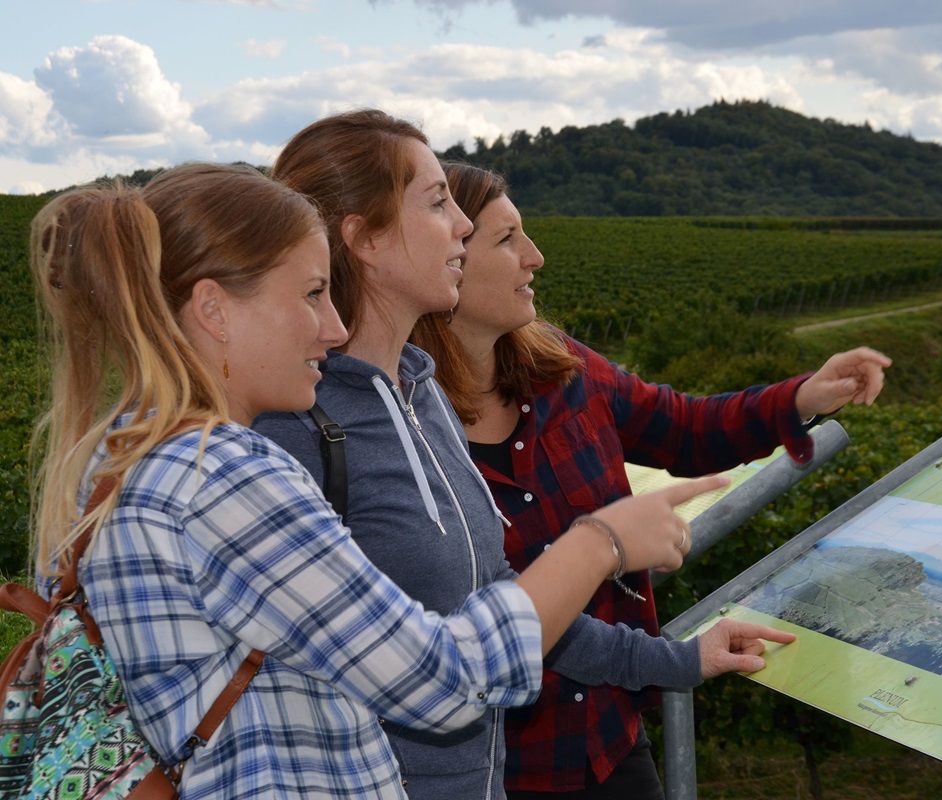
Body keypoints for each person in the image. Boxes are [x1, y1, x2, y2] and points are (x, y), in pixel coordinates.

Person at [29, 163, 721, 800]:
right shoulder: (225, 476)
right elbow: (443, 680)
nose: (332, 329)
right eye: (311, 294)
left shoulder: (112, 458)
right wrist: (599, 542)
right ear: (213, 309)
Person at [254, 110, 794, 800]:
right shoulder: (295, 428)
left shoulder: (420, 395)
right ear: (364, 239)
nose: (460, 226)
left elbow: (506, 600)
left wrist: (677, 660)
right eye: (437, 202)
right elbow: (433, 677)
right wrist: (600, 544)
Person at [409, 162, 893, 799]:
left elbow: (686, 429)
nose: (535, 256)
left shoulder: (566, 369)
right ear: (445, 260)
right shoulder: (406, 433)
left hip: (608, 742)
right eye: (506, 240)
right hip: (496, 769)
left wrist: (804, 395)